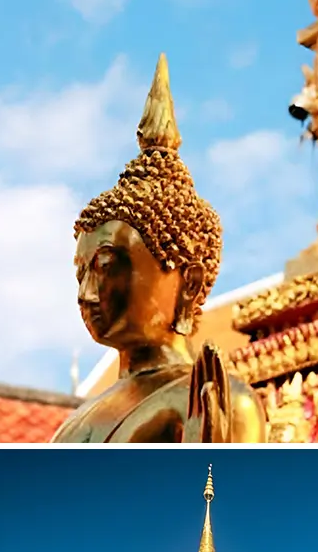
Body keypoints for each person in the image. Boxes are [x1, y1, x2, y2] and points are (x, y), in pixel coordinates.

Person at [53, 56, 264, 444]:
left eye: (106, 267)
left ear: (189, 282)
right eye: (81, 270)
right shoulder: (73, 424)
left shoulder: (213, 400)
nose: (86, 293)